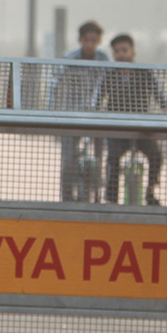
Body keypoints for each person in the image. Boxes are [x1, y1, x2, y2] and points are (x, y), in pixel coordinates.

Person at [101, 33, 167, 204]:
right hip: (117, 128)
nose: (121, 55)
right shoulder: (109, 74)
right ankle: (111, 196)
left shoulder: (145, 73)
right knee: (113, 158)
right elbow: (97, 98)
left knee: (155, 156)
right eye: (117, 52)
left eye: (125, 50)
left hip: (142, 128)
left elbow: (161, 95)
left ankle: (150, 191)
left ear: (133, 52)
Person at [50, 20, 109, 201]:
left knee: (99, 155)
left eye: (94, 40)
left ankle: (97, 193)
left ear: (99, 40)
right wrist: (50, 109)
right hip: (71, 114)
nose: (90, 44)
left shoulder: (103, 59)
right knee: (68, 159)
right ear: (80, 40)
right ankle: (66, 196)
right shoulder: (70, 58)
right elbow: (54, 83)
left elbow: (111, 81)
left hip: (96, 114)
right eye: (87, 40)